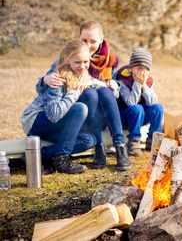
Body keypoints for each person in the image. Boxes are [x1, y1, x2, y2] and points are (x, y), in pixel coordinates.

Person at [36, 20, 131, 171]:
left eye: (93, 41)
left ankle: (120, 147)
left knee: (105, 91)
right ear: (78, 38)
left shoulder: (111, 61)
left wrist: (115, 86)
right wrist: (44, 80)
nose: (88, 45)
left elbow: (115, 94)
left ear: (101, 39)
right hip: (77, 112)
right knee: (91, 93)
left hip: (101, 114)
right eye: (84, 40)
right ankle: (99, 145)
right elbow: (48, 88)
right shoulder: (68, 57)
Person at [21, 40, 106, 174]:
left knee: (88, 140)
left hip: (54, 126)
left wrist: (111, 85)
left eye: (85, 62)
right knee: (80, 108)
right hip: (36, 121)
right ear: (67, 60)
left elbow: (98, 84)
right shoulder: (58, 79)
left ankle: (37, 155)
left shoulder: (82, 74)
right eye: (78, 62)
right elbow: (53, 115)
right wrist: (74, 93)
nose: (82, 66)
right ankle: (61, 159)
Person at [116, 48, 164, 156]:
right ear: (131, 68)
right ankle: (134, 142)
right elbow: (131, 103)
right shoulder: (122, 79)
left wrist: (144, 85)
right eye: (138, 68)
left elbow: (152, 102)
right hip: (125, 117)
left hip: (141, 117)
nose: (142, 72)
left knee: (158, 107)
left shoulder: (148, 81)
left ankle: (153, 141)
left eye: (145, 69)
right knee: (137, 108)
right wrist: (137, 84)